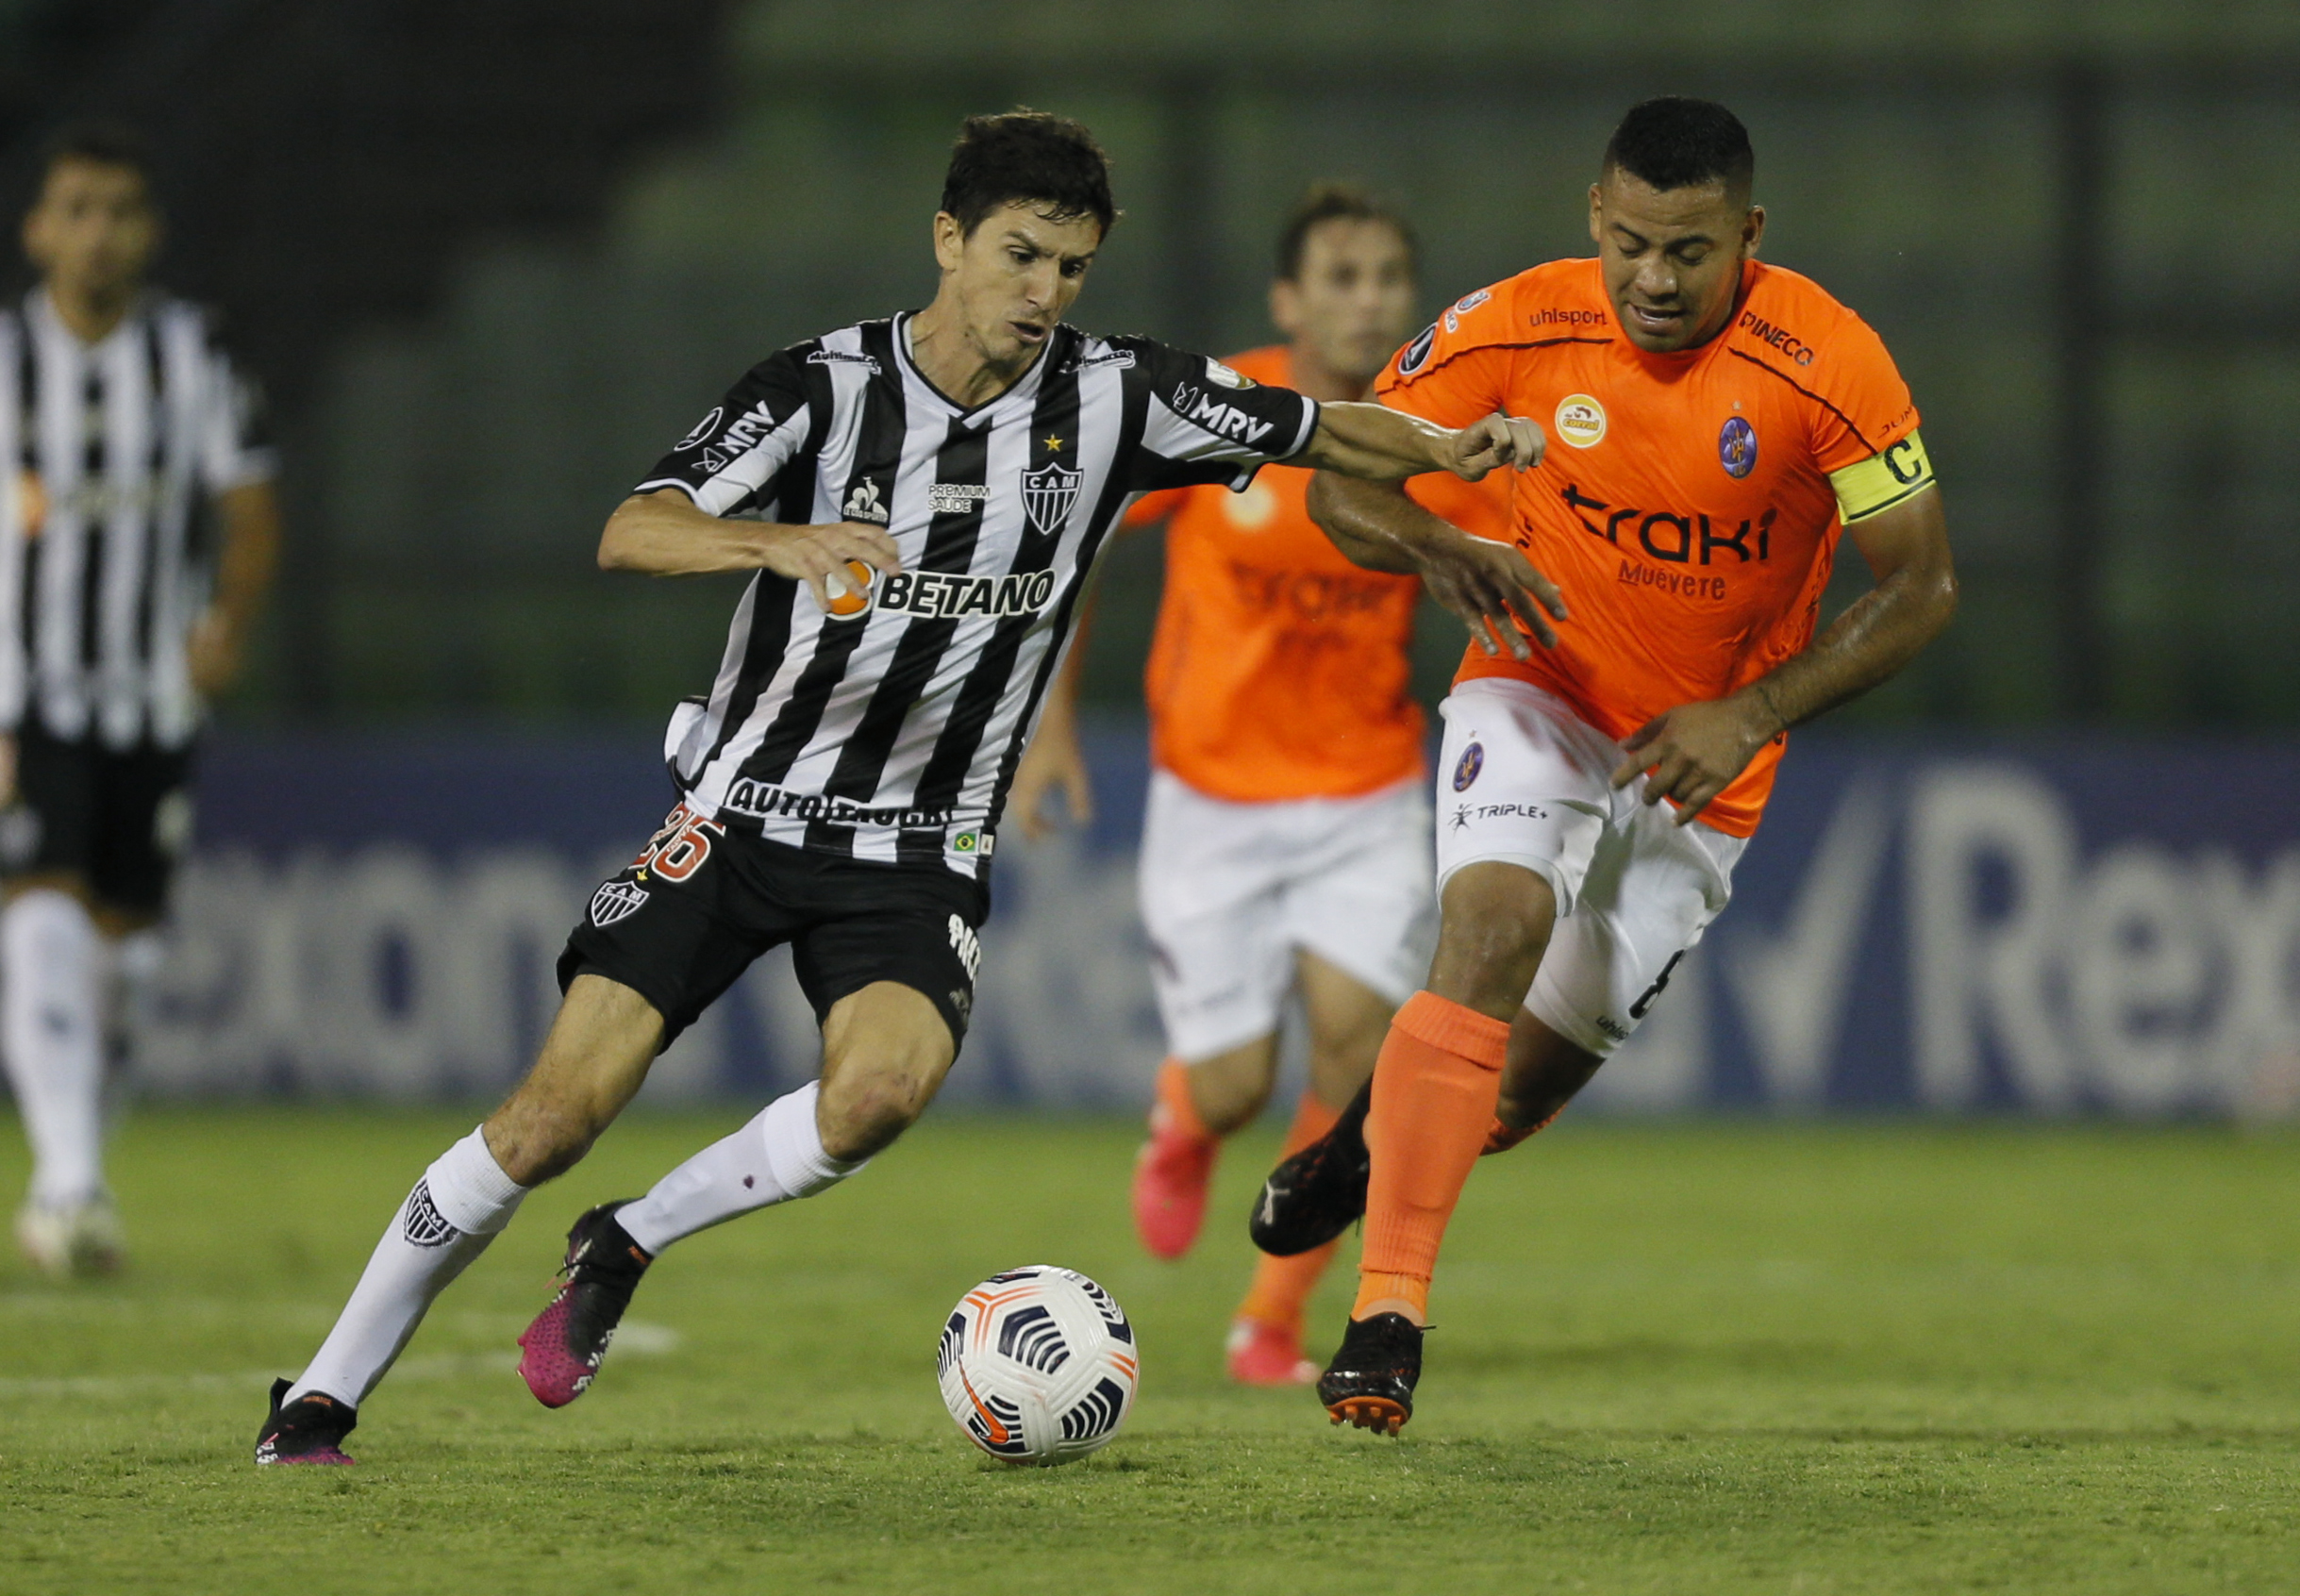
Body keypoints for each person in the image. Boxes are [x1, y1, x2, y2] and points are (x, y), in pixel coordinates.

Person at [255, 108, 1543, 1465]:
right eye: (1019, 256)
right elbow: (635, 528)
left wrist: (1444, 452)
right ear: (947, 238)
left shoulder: (1117, 396)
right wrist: (780, 541)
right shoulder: (816, 391)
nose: (1043, 294)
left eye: (1072, 268)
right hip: (743, 816)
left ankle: (627, 1243)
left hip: (919, 848)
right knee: (552, 1116)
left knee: (877, 1095)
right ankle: (323, 1396)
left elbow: (1313, 425)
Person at [1252, 96, 1958, 1434]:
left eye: (1688, 251)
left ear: (1747, 233)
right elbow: (1342, 478)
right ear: (1593, 214)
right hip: (1538, 685)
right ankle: (1384, 1315)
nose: (1651, 278)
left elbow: (1917, 590)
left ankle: (1356, 1144)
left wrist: (1747, 714)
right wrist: (1438, 547)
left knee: (1511, 1094)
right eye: (1629, 241)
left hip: (1704, 760)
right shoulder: (1514, 322)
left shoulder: (1831, 363)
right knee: (1492, 919)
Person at [1009, 185, 1508, 1386]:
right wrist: (1049, 723)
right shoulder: (1220, 414)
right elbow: (1070, 544)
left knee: (1356, 1056)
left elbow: (1528, 553)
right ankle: (1185, 1121)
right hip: (1212, 798)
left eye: (1388, 277)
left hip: (1363, 790)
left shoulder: (1426, 436)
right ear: (1288, 300)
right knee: (1236, 1083)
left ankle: (1268, 1323)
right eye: (1340, 277)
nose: (1367, 299)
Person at [0, 125, 280, 1277]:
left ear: (148, 231)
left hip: (153, 704)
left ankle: (72, 1183)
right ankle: (70, 1184)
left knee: (129, 961)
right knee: (43, 909)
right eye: (76, 208)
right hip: (30, 696)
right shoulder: (6, 359)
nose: (98, 231)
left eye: (119, 210)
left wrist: (225, 625)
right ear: (38, 230)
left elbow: (251, 507)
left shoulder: (194, 355)